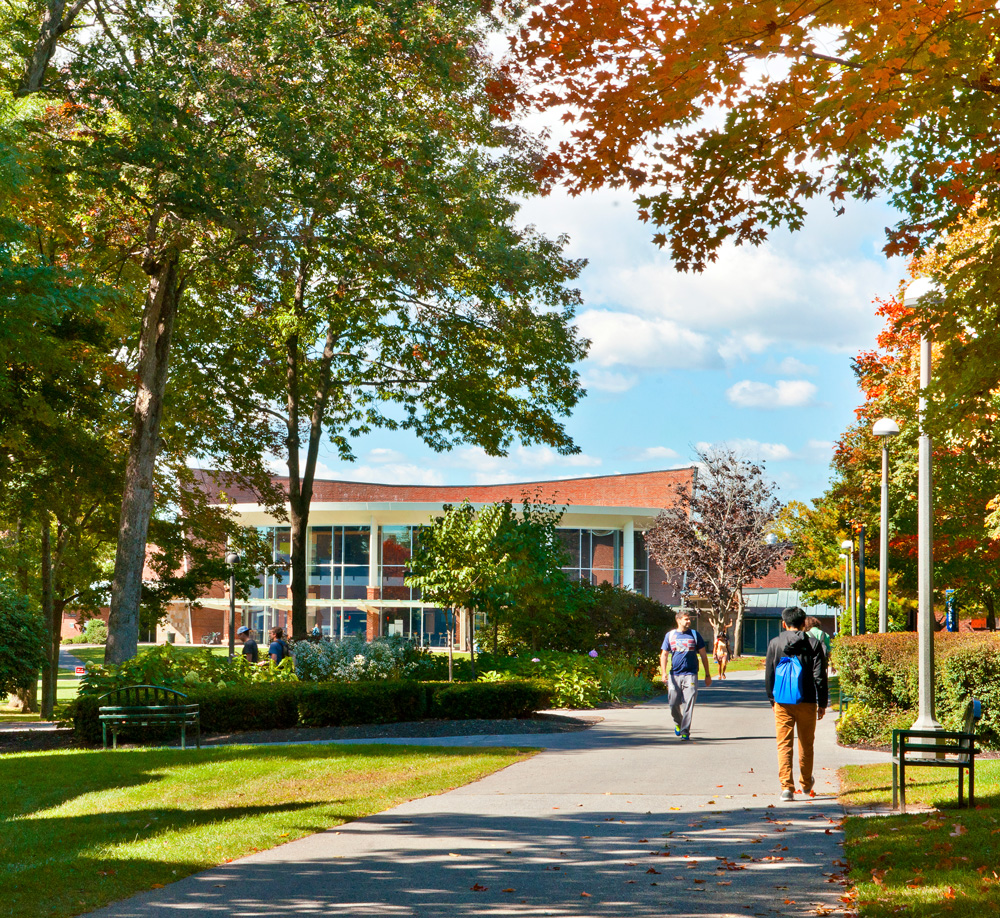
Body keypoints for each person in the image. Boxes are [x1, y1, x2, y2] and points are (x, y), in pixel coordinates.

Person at [765, 606, 828, 801]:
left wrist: (771, 700)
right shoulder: (814, 644)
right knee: (806, 743)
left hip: (782, 701)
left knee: (784, 744)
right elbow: (819, 676)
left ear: (784, 623)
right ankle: (806, 784)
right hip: (807, 699)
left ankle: (786, 788)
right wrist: (822, 703)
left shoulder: (775, 643)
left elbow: (770, 674)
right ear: (804, 624)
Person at [660, 610, 712, 741]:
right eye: (686, 619)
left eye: (689, 619)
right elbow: (664, 655)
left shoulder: (694, 635)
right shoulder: (670, 635)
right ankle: (678, 723)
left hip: (691, 674)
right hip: (674, 675)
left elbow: (704, 655)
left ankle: (685, 731)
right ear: (678, 620)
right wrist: (663, 673)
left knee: (689, 703)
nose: (688, 621)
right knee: (673, 703)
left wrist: (707, 674)